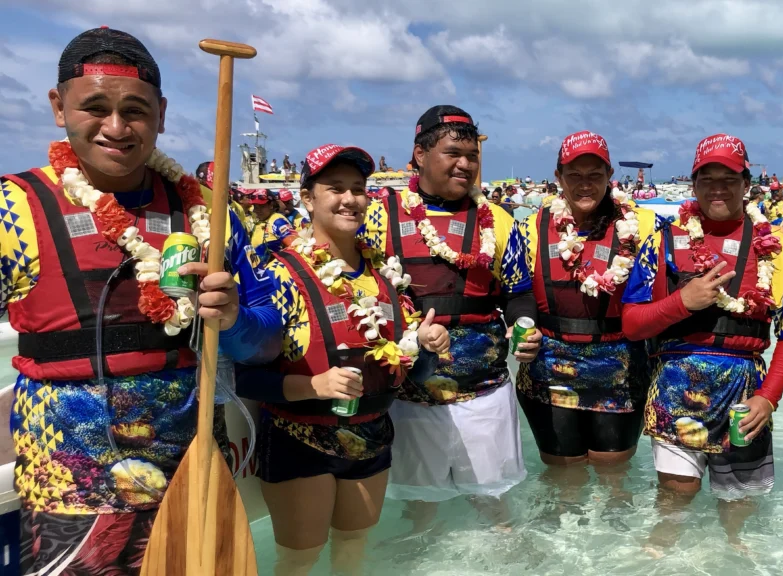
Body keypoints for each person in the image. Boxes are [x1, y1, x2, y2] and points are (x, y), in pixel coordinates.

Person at [2, 27, 281, 573]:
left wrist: (236, 319)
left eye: (134, 110)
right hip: (69, 485)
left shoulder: (211, 210)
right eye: (95, 108)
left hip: (193, 467)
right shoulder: (12, 209)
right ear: (59, 108)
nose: (115, 127)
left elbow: (270, 338)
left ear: (162, 113)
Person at [233, 144, 450, 576]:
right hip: (300, 437)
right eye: (335, 188)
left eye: (358, 189)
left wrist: (426, 346)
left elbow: (411, 379)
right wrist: (313, 386)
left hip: (372, 436)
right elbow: (243, 379)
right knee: (299, 561)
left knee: (353, 552)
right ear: (308, 198)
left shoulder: (386, 275)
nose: (350, 199)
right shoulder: (277, 273)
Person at [621, 133, 783, 550]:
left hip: (746, 391)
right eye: (708, 179)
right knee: (675, 495)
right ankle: (665, 542)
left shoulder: (782, 251)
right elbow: (632, 324)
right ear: (693, 185)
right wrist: (681, 302)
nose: (719, 188)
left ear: (747, 183)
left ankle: (732, 550)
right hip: (675, 383)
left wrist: (769, 398)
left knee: (737, 503)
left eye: (730, 178)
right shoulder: (662, 243)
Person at [360, 105, 540, 517]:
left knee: (495, 507)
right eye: (453, 153)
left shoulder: (497, 219)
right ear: (420, 155)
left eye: (472, 155)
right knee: (419, 509)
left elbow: (518, 291)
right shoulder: (376, 216)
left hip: (485, 391)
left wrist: (524, 325)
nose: (465, 164)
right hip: (409, 395)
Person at [517, 131, 657, 523]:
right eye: (573, 174)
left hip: (621, 366)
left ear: (610, 174)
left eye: (594, 174)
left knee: (615, 476)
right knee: (564, 478)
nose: (584, 183)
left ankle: (611, 553)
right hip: (549, 366)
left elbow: (666, 288)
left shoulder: (646, 225)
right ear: (558, 176)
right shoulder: (529, 227)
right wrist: (523, 325)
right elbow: (516, 290)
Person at [251, 188, 297, 260]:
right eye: (255, 207)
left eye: (261, 206)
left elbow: (296, 246)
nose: (257, 210)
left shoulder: (277, 221)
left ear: (271, 205)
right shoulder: (258, 222)